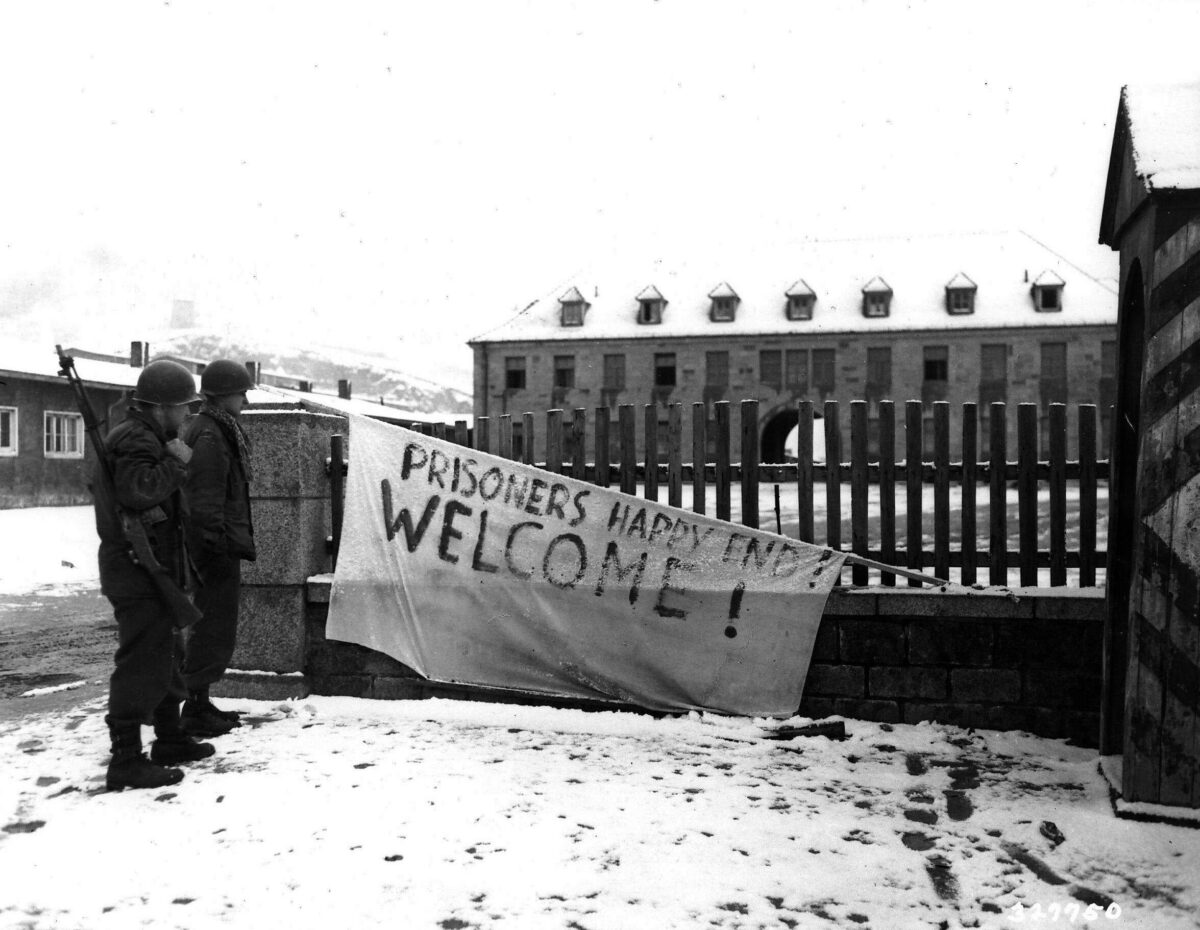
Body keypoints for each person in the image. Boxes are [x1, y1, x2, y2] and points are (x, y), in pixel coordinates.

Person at [96, 359, 215, 791]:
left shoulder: (148, 435)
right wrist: (177, 463)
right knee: (143, 659)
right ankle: (125, 758)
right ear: (161, 407)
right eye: (183, 407)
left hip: (152, 565)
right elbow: (137, 490)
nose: (187, 416)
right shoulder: (136, 439)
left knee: (167, 653)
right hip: (136, 568)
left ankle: (170, 737)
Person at [179, 359, 257, 737]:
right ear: (224, 394)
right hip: (214, 551)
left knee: (214, 626)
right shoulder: (211, 435)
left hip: (216, 547)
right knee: (212, 627)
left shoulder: (215, 428)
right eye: (241, 391)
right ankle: (194, 708)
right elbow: (205, 500)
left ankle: (200, 701)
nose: (245, 397)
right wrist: (215, 547)